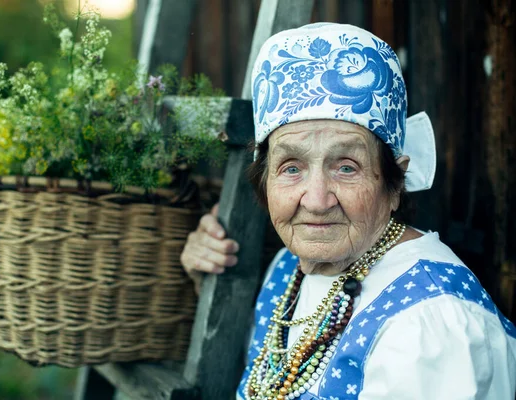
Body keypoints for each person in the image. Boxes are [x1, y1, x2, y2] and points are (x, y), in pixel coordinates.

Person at [181, 22, 516, 399]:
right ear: (265, 181)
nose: (316, 200)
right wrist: (206, 276)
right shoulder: (287, 270)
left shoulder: (430, 320)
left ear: (394, 183)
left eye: (346, 167)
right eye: (291, 168)